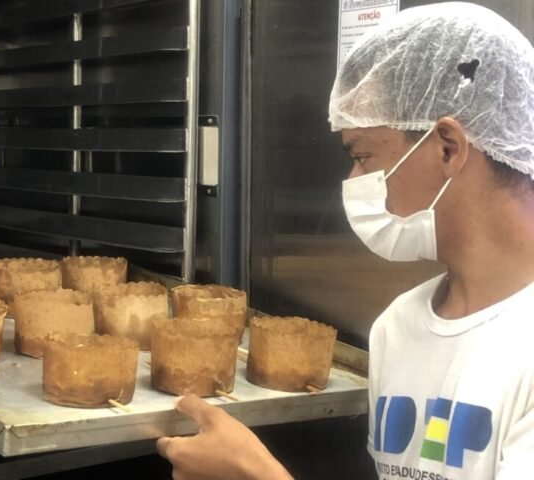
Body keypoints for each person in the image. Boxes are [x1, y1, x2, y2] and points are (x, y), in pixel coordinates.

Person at [157, 3, 534, 479]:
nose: (354, 180)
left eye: (363, 156)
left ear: (448, 147)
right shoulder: (399, 328)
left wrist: (257, 474)